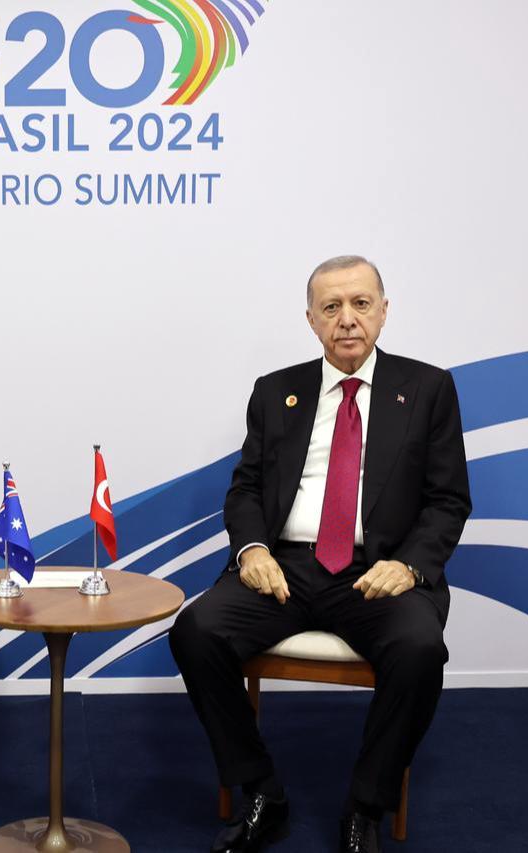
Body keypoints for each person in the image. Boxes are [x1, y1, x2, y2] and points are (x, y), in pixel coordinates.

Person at [169, 255, 471, 853]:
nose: (347, 320)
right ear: (311, 320)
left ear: (384, 310)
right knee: (196, 630)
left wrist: (408, 565)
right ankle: (261, 791)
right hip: (287, 566)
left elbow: (448, 500)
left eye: (361, 304)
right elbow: (247, 488)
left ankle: (366, 806)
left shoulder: (428, 387)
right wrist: (253, 548)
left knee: (418, 650)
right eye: (331, 308)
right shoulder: (276, 390)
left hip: (376, 572)